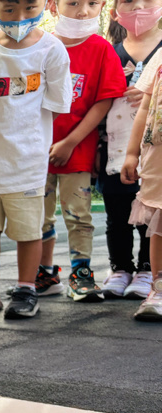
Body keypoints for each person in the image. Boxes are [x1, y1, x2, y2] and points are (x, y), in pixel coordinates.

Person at [0, 0, 71, 320]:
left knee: (28, 231)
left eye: (30, 8)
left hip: (26, 162)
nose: (19, 18)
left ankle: (26, 288)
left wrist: (26, 141)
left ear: (44, 5)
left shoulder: (51, 50)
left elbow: (56, 107)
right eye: (9, 9)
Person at [40, 0, 126, 302]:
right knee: (38, 216)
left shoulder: (101, 49)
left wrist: (70, 142)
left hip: (77, 150)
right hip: (36, 150)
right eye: (73, 2)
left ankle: (81, 274)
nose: (83, 11)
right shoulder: (39, 45)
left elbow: (104, 101)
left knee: (78, 215)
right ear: (53, 5)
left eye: (92, 3)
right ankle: (43, 274)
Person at [100, 0, 162, 300]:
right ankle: (120, 268)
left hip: (154, 153)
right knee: (117, 212)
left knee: (151, 214)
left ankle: (148, 270)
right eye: (127, 0)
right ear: (114, 11)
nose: (138, 6)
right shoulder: (108, 53)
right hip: (115, 147)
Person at [120, 18, 162, 321]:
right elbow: (145, 108)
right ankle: (158, 289)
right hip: (158, 161)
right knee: (159, 225)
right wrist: (131, 153)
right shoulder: (159, 57)